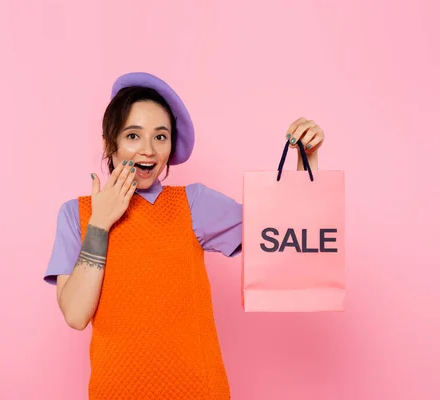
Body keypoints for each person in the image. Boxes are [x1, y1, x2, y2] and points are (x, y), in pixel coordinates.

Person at [43, 72, 326, 399]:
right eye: (133, 135)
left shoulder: (193, 203)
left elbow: (286, 228)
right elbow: (76, 315)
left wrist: (309, 157)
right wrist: (100, 224)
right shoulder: (75, 214)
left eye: (160, 137)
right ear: (111, 142)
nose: (148, 150)